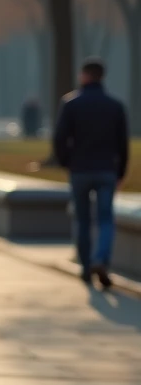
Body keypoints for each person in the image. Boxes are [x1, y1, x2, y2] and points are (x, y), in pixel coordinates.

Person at [53, 59, 130, 289]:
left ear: (84, 76)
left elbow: (60, 138)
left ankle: (86, 267)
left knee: (83, 219)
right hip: (106, 169)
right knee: (106, 219)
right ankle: (101, 259)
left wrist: (66, 162)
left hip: (80, 169)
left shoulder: (71, 104)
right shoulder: (115, 106)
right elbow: (122, 144)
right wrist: (121, 172)